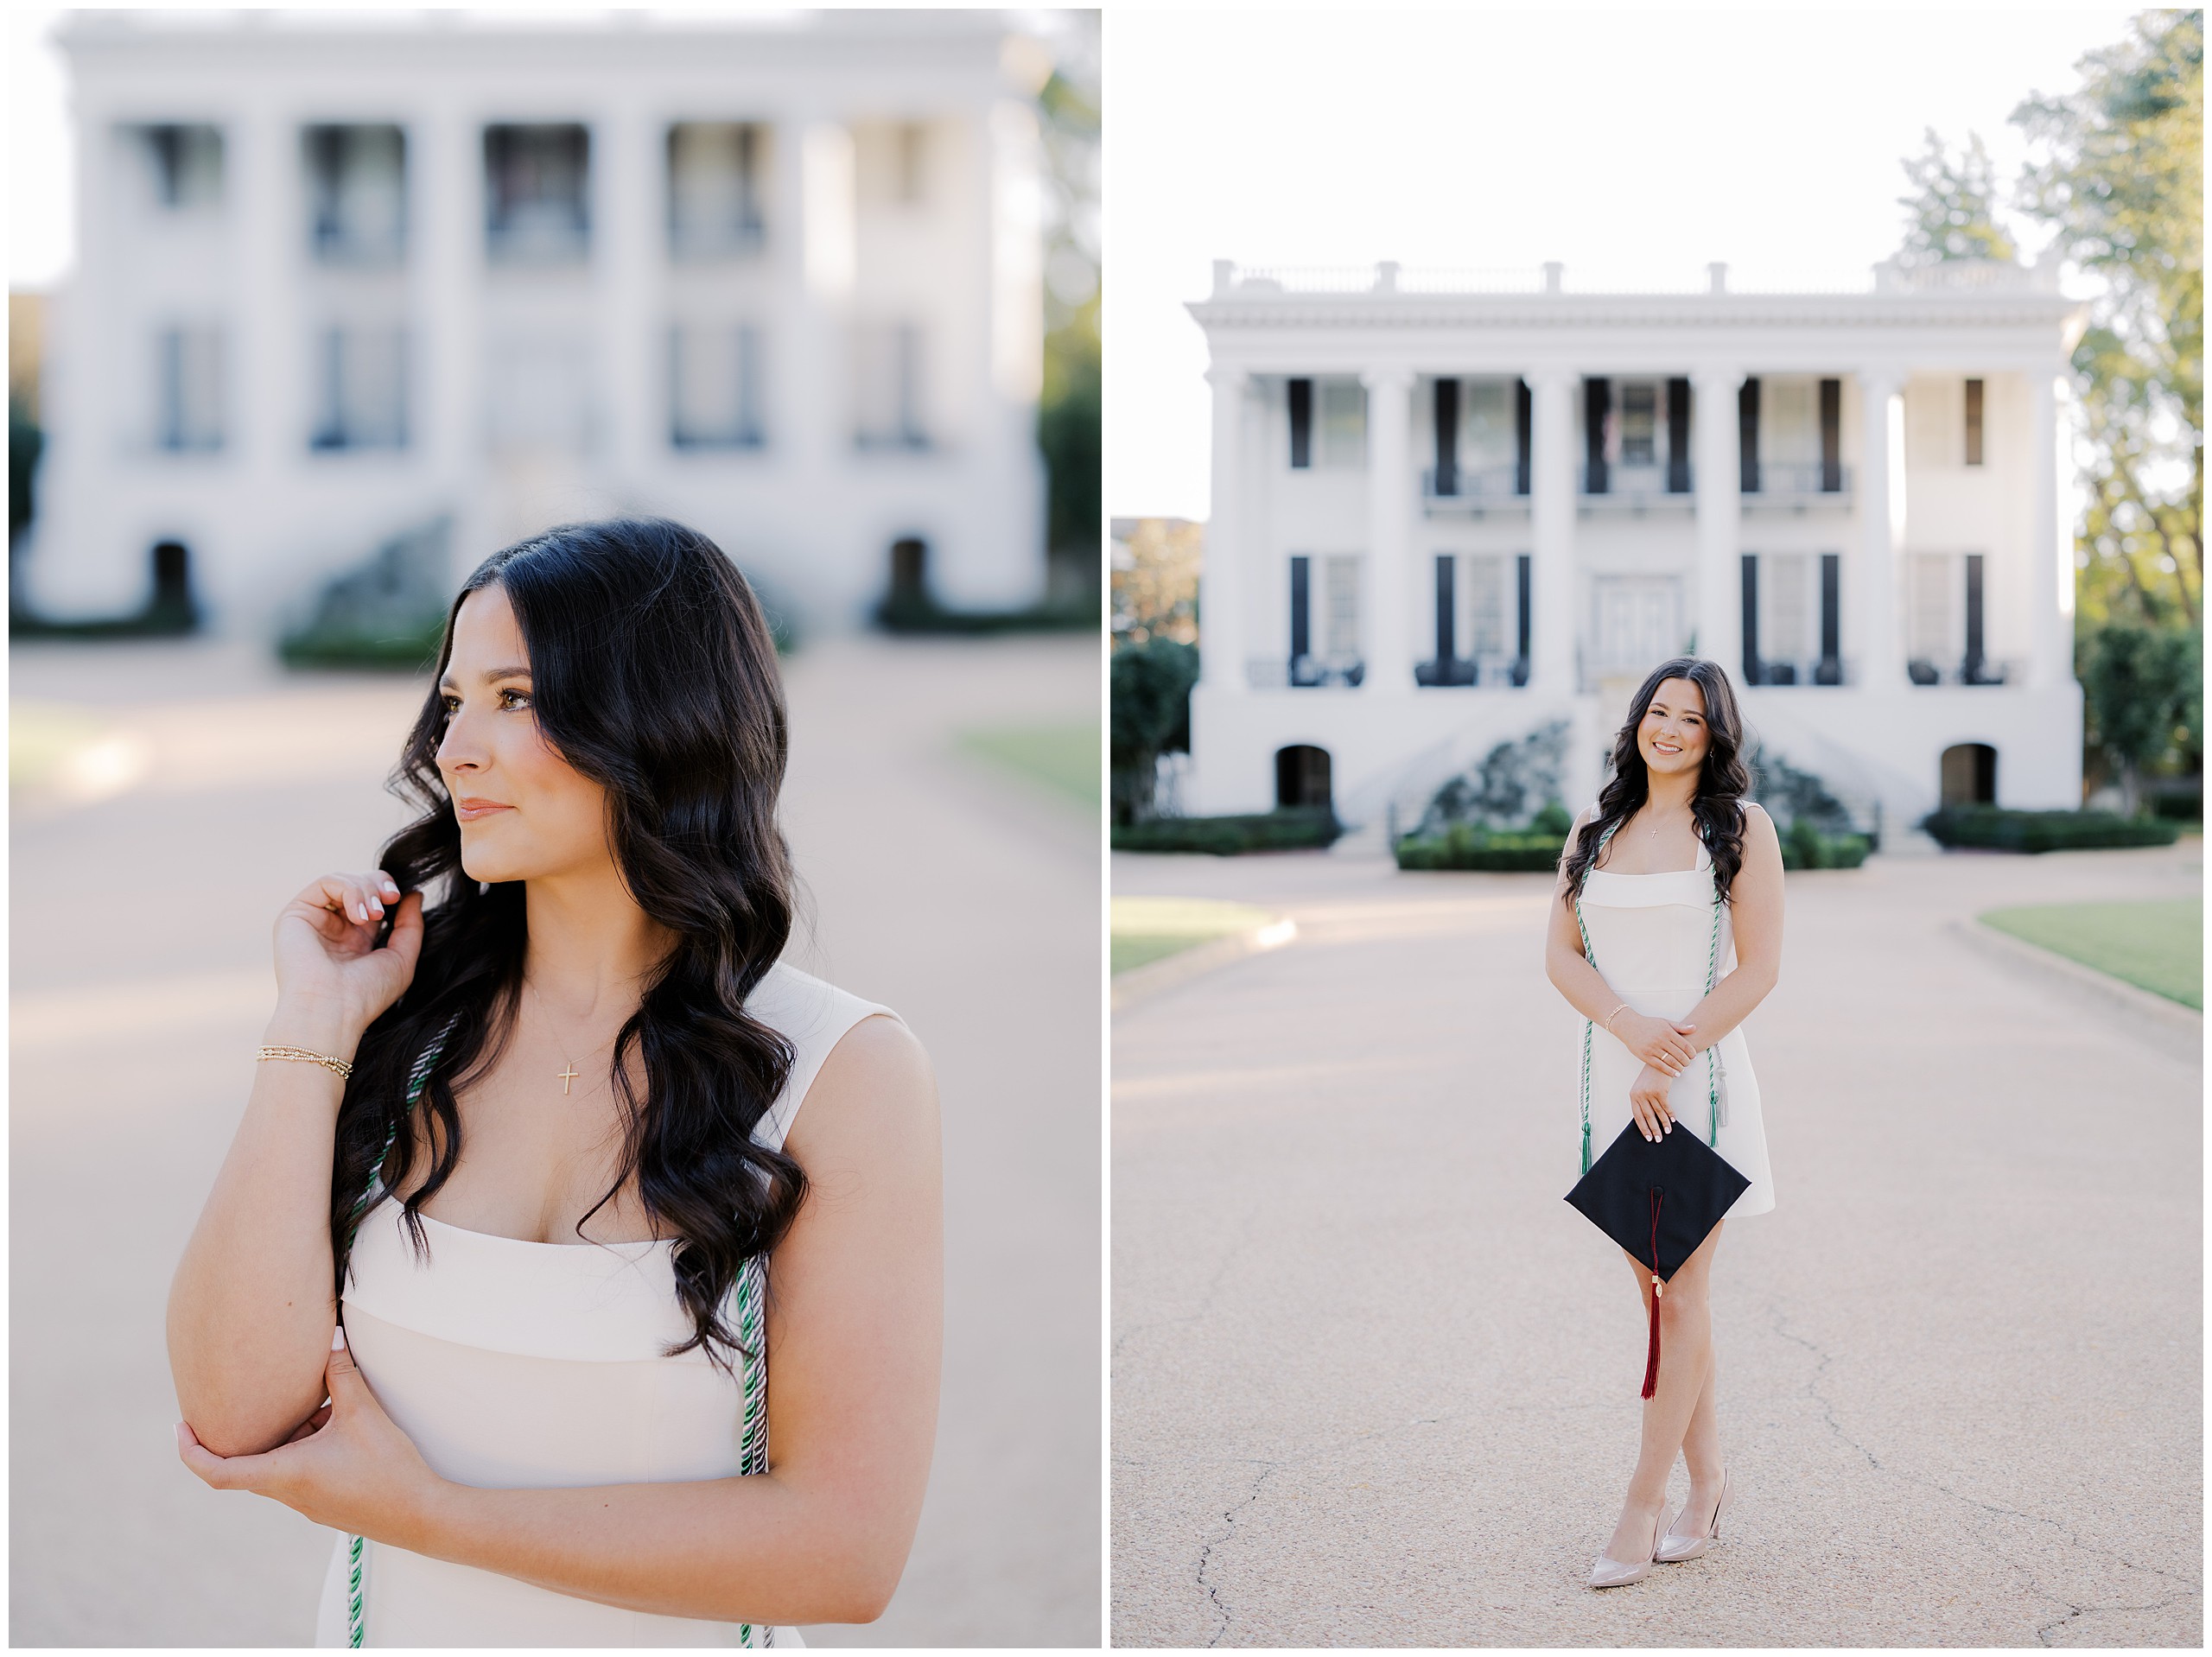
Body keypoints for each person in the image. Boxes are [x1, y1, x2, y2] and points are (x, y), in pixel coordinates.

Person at [168, 517, 943, 1646]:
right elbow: (233, 1416)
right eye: (452, 701)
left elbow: (844, 1550)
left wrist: (431, 1515)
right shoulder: (405, 1028)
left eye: (518, 697)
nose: (453, 749)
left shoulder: (842, 1073)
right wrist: (312, 1028)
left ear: (663, 721)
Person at [1543, 656, 1782, 1590]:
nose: (1670, 728)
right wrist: (1627, 1029)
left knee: (1678, 1296)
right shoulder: (1595, 827)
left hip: (1695, 1086)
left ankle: (1642, 1503)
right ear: (1637, 720)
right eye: (1657, 710)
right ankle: (1709, 1484)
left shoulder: (1739, 827)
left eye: (1690, 717)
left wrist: (1665, 1052)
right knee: (1659, 1295)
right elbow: (1560, 956)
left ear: (1714, 733)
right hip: (1610, 1079)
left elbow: (1757, 970)